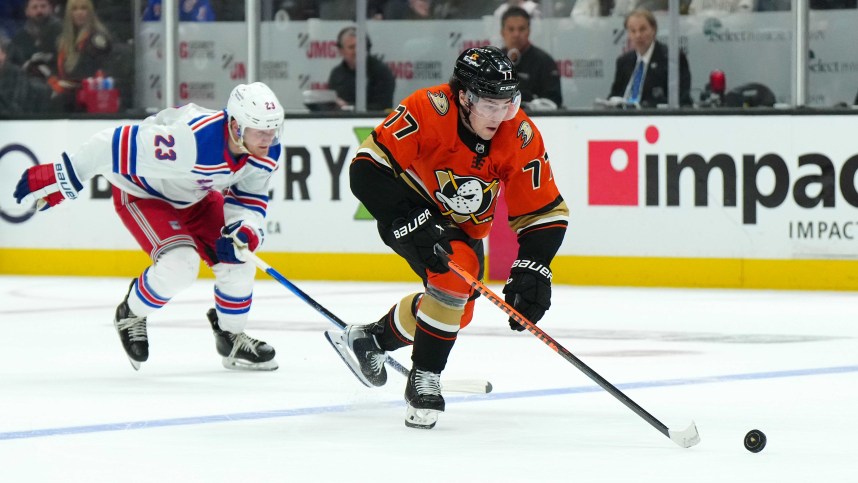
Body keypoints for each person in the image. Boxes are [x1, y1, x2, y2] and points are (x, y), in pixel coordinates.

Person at [326, 46, 569, 429]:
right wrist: (408, 218)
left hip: (466, 227)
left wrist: (535, 266)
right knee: (457, 275)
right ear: (464, 97)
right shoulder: (429, 108)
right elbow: (366, 169)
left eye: (508, 103)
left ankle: (372, 339)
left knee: (458, 309)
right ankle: (423, 379)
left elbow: (544, 211)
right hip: (412, 209)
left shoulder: (518, 132)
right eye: (490, 104)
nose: (501, 114)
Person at [13, 82, 284, 372]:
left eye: (273, 128)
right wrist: (66, 176)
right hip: (143, 194)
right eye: (260, 130)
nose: (268, 138)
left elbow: (249, 198)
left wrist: (244, 229)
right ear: (235, 125)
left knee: (240, 261)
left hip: (194, 196)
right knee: (181, 265)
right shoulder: (190, 140)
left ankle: (230, 337)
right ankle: (130, 313)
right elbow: (110, 144)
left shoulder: (266, 150)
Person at [607, 8, 692, 107]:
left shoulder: (672, 58)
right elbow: (614, 95)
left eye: (642, 29)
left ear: (653, 30)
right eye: (633, 31)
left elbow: (682, 99)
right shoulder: (624, 61)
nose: (638, 35)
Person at [48, 0, 112, 111]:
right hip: (67, 99)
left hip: (89, 100)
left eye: (83, 8)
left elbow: (88, 72)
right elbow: (55, 67)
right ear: (69, 13)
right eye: (75, 9)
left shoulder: (97, 39)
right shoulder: (61, 40)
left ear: (90, 12)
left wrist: (63, 84)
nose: (79, 13)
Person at [500, 6, 562, 111]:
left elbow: (554, 101)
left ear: (529, 31)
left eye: (521, 29)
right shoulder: (494, 61)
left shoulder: (544, 62)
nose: (516, 34)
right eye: (511, 29)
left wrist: (530, 105)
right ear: (502, 32)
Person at [327, 26, 395, 111]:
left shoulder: (381, 72)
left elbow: (382, 107)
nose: (357, 51)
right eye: (351, 47)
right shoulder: (336, 74)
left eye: (360, 46)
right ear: (341, 51)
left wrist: (347, 107)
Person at [7, 0, 62, 80]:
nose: (39, 10)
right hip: (27, 82)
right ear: (27, 11)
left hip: (58, 79)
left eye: (43, 6)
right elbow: (11, 63)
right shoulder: (19, 37)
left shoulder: (61, 31)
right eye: (34, 7)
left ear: (50, 9)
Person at [142, 0, 216, 21]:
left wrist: (187, 11)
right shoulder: (156, 2)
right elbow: (148, 28)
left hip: (192, 53)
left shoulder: (200, 2)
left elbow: (206, 31)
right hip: (159, 51)